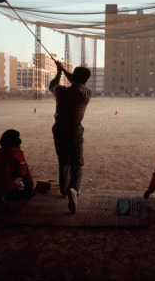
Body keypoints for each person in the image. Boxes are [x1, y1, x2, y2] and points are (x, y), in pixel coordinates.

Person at [49, 61, 91, 214]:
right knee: (77, 162)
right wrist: (65, 70)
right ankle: (74, 189)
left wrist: (60, 71)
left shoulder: (60, 91)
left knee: (63, 161)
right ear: (86, 80)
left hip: (59, 129)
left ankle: (63, 190)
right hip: (75, 130)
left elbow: (51, 85)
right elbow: (76, 81)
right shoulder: (86, 93)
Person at [0, 129, 34, 200]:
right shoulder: (17, 152)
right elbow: (21, 173)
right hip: (6, 188)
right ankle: (29, 190)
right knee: (24, 167)